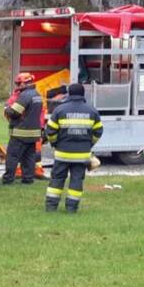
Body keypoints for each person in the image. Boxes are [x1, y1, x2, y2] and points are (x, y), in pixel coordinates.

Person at [43, 83, 103, 214]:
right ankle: (71, 208)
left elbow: (50, 131)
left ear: (69, 94)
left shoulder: (59, 110)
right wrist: (89, 144)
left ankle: (51, 207)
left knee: (57, 179)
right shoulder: (92, 111)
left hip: (62, 153)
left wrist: (55, 143)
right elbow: (98, 131)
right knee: (76, 181)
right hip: (82, 155)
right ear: (83, 94)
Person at [3, 72, 43, 185]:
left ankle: (8, 179)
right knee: (29, 157)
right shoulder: (37, 94)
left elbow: (14, 112)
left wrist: (7, 109)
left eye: (18, 83)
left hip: (21, 133)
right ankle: (28, 179)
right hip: (33, 133)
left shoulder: (25, 95)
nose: (17, 86)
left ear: (24, 83)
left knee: (12, 156)